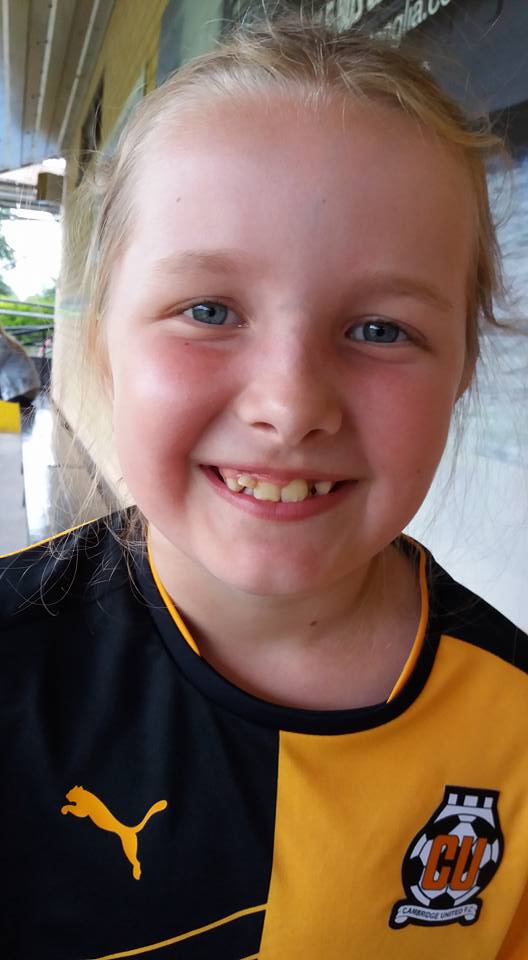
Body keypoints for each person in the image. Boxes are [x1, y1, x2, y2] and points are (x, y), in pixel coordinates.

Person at [1, 15, 526, 960]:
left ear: (460, 372)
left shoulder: (514, 728)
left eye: (380, 329)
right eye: (208, 311)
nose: (290, 406)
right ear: (99, 344)